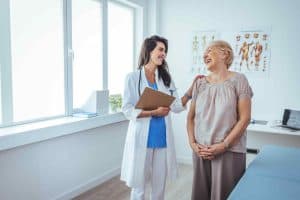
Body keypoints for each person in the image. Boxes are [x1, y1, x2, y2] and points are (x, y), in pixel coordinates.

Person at [121, 35, 195, 200]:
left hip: (162, 138)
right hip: (142, 139)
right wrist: (154, 112)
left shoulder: (165, 78)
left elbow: (176, 106)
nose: (164, 54)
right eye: (160, 49)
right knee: (139, 186)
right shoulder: (133, 78)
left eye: (165, 51)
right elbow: (127, 109)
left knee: (159, 186)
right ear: (149, 50)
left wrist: (189, 92)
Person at [187, 40, 253, 200]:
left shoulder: (239, 80)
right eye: (204, 53)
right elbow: (191, 117)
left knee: (225, 196)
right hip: (201, 151)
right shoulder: (199, 83)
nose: (204, 55)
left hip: (229, 151)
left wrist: (223, 145)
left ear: (225, 54)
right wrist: (193, 144)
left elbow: (245, 119)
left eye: (209, 50)